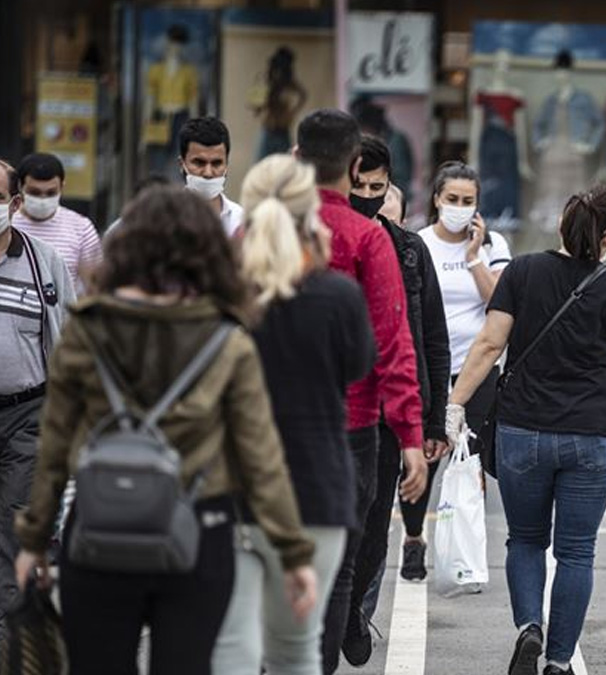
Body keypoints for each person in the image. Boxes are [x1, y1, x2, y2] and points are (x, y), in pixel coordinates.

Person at [13, 186, 318, 675]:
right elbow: (260, 458)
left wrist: (33, 541)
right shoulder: (228, 338)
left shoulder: (87, 329)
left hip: (97, 527)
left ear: (126, 248)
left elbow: (54, 447)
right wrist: (292, 552)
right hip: (200, 530)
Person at [446, 186, 606, 675]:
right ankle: (557, 660)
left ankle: (529, 626)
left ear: (560, 227)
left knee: (525, 540)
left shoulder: (524, 272)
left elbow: (489, 345)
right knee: (576, 551)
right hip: (592, 436)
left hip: (522, 430)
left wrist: (455, 404)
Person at [209, 155, 374, 674]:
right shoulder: (336, 295)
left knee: (232, 648)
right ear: (311, 217)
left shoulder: (224, 291)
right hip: (316, 487)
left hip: (230, 486)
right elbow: (360, 365)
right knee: (295, 650)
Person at [294, 108, 426, 675]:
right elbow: (393, 341)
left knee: (270, 558)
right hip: (351, 428)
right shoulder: (366, 236)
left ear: (297, 159)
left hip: (272, 425)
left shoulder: (263, 230)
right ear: (353, 167)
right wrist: (412, 434)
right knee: (339, 570)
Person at [343, 137, 450, 665]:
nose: (367, 196)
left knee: (372, 522)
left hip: (389, 412)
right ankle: (335, 613)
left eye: (376, 188)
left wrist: (432, 421)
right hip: (328, 408)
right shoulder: (319, 240)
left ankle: (354, 612)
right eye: (357, 186)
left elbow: (430, 338)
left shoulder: (407, 249)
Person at [0, 160, 74, 631]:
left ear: (14, 203)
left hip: (26, 414)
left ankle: (9, 635)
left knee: (14, 527)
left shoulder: (43, 261)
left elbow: (69, 338)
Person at [417, 162, 510, 469]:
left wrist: (472, 257)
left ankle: (470, 519)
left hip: (478, 368)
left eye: (467, 201)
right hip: (431, 369)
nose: (459, 207)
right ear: (437, 199)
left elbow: (498, 300)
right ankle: (413, 520)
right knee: (424, 458)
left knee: (472, 463)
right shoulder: (420, 243)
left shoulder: (492, 244)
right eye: (452, 199)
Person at [12, 152, 102, 293]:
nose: (43, 199)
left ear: (62, 187)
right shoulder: (7, 223)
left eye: (51, 193)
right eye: (34, 192)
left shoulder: (82, 229)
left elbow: (94, 287)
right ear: (20, 187)